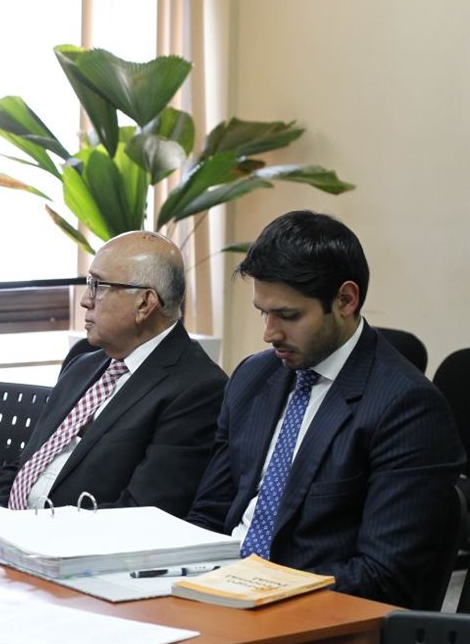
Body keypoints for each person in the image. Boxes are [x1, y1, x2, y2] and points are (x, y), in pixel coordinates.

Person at [187, 210, 465, 609]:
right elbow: (210, 516)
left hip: (311, 619)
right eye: (263, 312)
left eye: (288, 315)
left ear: (345, 300)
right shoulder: (253, 377)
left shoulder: (407, 407)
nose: (270, 334)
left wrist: (255, 589)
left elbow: (385, 577)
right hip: (214, 595)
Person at [0, 231, 228, 518]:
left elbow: (142, 514)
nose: (86, 300)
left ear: (145, 304)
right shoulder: (82, 365)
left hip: (70, 550)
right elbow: (27, 463)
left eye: (98, 285)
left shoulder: (197, 389)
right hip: (7, 534)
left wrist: (35, 530)